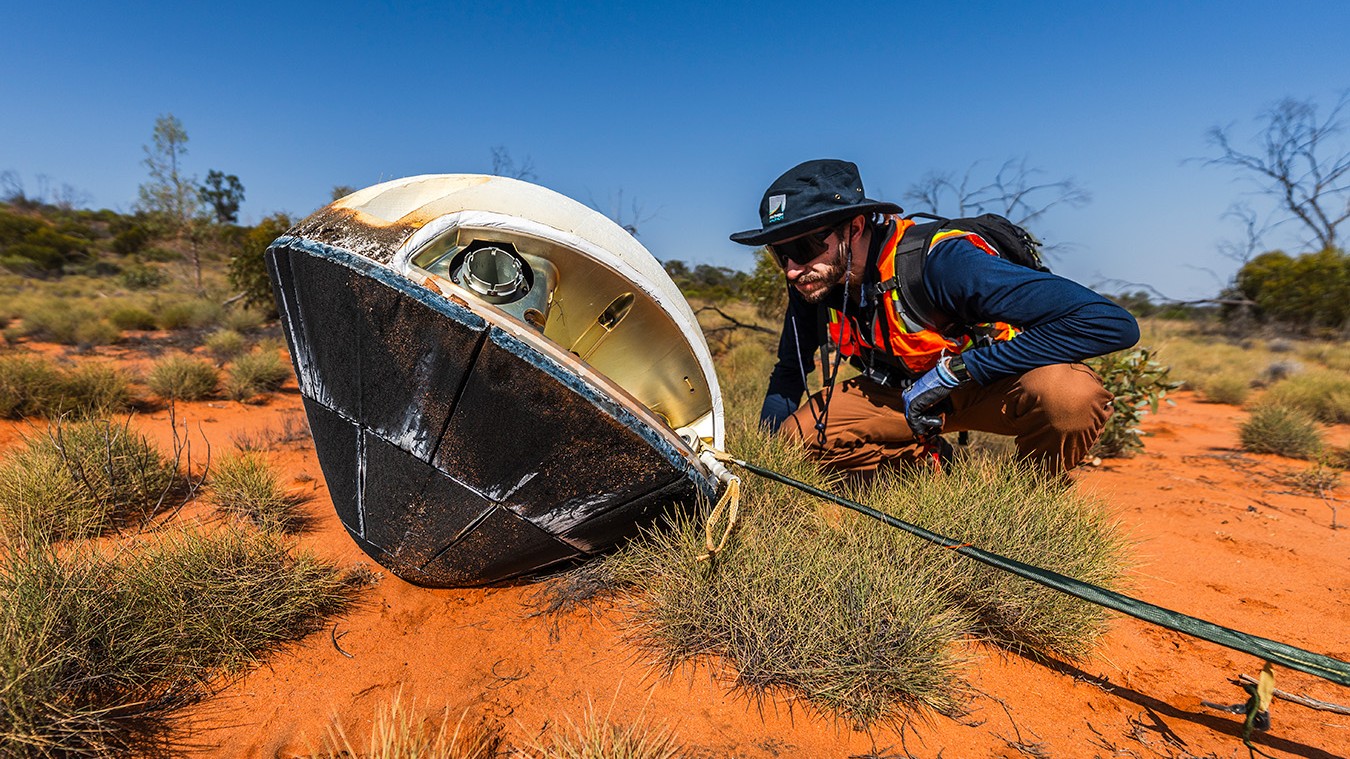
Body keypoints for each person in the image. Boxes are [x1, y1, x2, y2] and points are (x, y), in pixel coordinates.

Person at [729, 159, 1139, 475]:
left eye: (801, 248)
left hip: (987, 382)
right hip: (898, 395)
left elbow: (1110, 322)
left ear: (854, 226)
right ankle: (930, 471)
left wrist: (963, 370)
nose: (790, 269)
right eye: (778, 254)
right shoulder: (814, 281)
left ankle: (1032, 499)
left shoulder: (944, 263)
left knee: (1069, 398)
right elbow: (789, 370)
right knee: (793, 441)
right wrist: (764, 465)